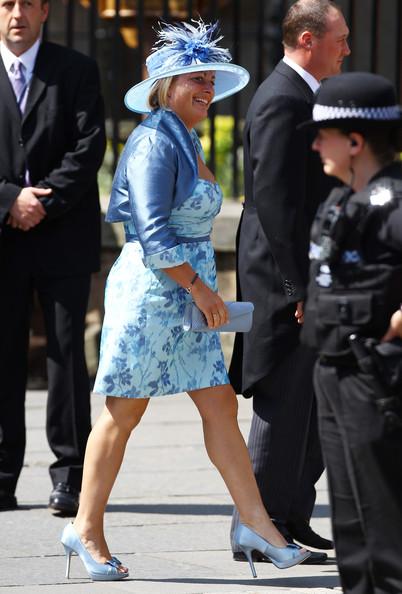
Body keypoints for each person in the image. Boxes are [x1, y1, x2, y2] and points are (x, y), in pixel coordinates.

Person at [59, 19, 311, 582]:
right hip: (154, 294)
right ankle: (85, 528)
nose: (204, 86)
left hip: (186, 297)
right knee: (124, 413)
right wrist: (201, 288)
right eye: (191, 76)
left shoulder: (184, 134)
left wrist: (200, 292)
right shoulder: (153, 137)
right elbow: (151, 234)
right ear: (163, 85)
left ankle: (256, 523)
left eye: (208, 77)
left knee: (220, 404)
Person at [229, 0, 350, 562]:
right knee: (282, 397)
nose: (346, 49)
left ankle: (291, 516)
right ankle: (261, 525)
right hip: (283, 279)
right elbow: (275, 203)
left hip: (300, 275)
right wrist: (298, 288)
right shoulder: (282, 97)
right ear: (308, 39)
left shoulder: (302, 92)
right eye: (339, 39)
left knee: (308, 401)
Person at [0, 0, 106, 514]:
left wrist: (43, 201)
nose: (16, 13)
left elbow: (89, 147)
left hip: (62, 234)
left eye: (26, 3)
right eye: (5, 3)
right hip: (2, 236)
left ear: (44, 10)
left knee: (67, 362)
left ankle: (70, 476)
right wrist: (8, 201)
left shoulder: (77, 70)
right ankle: (1, 475)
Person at [300, 71, 402, 594]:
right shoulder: (341, 200)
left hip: (373, 376)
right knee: (350, 521)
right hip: (333, 372)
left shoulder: (395, 204)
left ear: (356, 141)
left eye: (325, 134)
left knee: (385, 521)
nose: (316, 144)